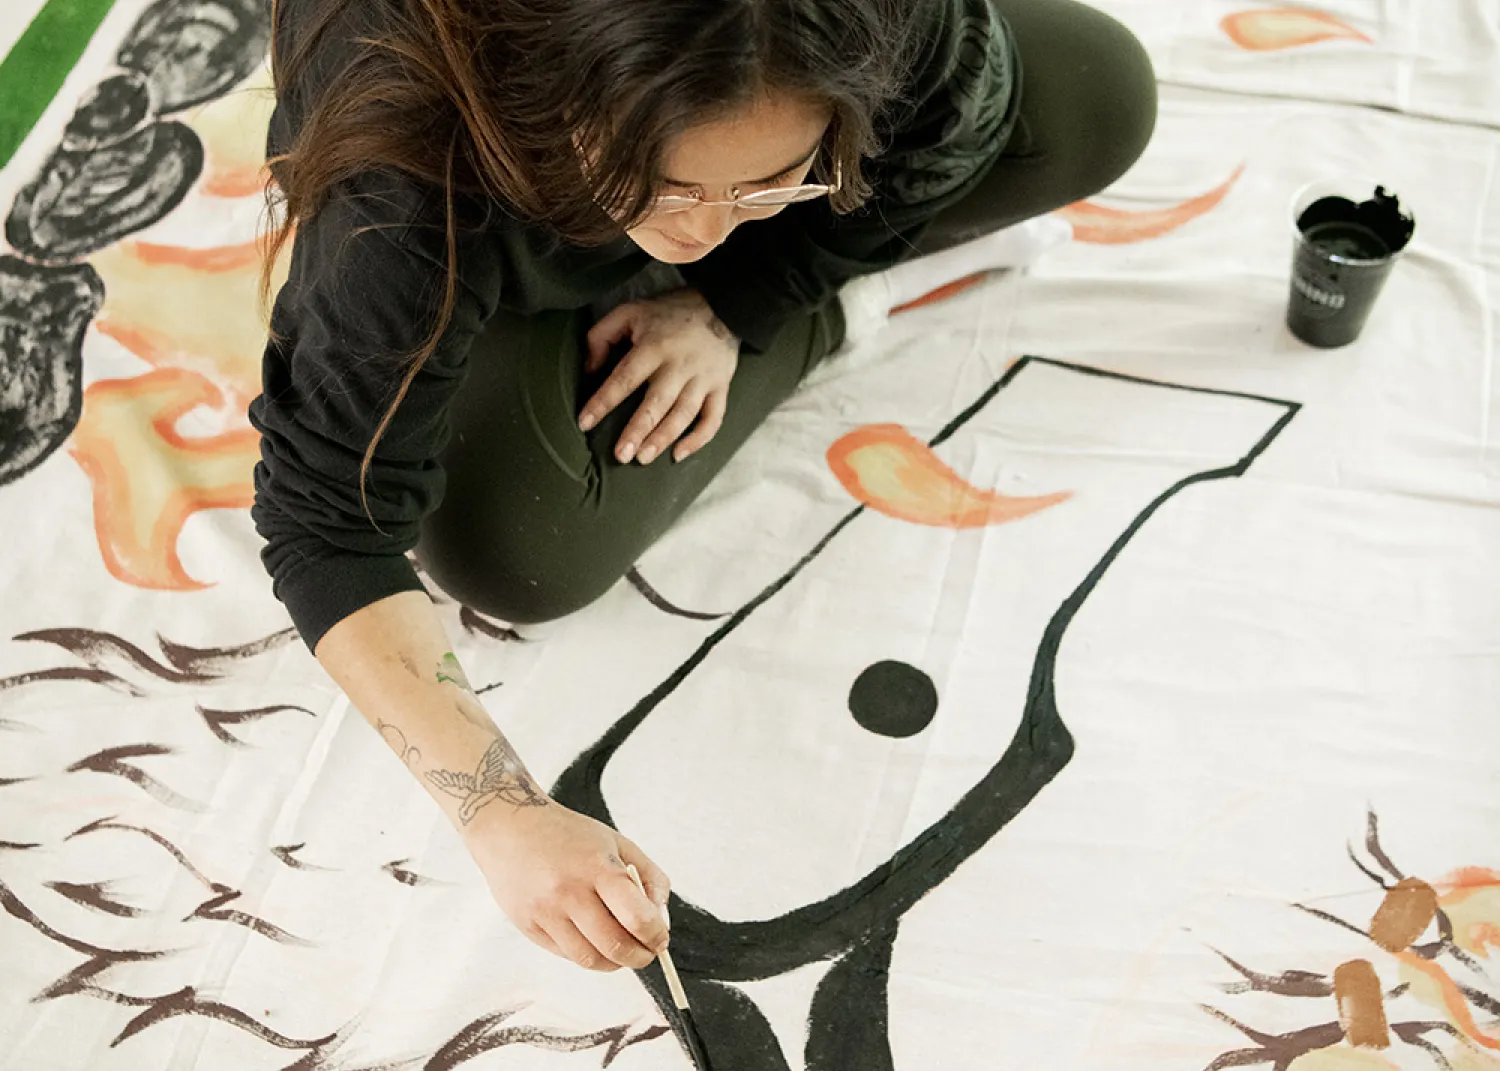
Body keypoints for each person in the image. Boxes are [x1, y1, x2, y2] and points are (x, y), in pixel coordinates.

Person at [251, 0, 1156, 977]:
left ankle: (811, 288)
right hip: (498, 210)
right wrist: (507, 817)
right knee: (523, 555)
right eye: (666, 186)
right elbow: (326, 524)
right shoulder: (406, 163)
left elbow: (940, 113)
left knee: (1103, 95)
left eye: (769, 183)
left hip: (688, 195)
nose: (706, 231)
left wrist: (736, 303)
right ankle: (812, 288)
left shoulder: (879, 19)